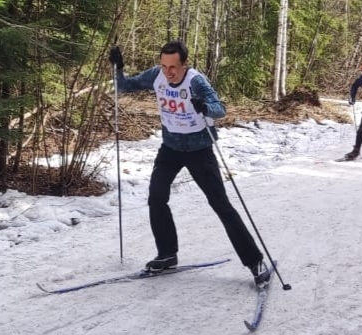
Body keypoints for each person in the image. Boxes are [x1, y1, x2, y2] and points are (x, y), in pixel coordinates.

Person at [109, 40, 271, 286]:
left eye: (173, 67)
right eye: (164, 66)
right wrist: (118, 68)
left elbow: (220, 110)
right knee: (156, 197)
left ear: (185, 64)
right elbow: (124, 86)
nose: (168, 72)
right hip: (171, 148)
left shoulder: (196, 81)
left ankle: (255, 261)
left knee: (221, 205)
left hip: (199, 150)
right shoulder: (157, 75)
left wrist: (205, 106)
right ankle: (167, 254)